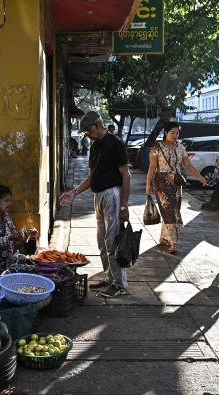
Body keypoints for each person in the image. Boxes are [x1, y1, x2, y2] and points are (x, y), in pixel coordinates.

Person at [60, 111, 130, 298]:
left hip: (112, 194)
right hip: (98, 196)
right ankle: (109, 278)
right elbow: (91, 177)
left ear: (98, 126)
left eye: (87, 131)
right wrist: (74, 192)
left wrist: (124, 205)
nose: (86, 135)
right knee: (102, 241)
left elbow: (126, 175)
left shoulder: (115, 144)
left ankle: (120, 283)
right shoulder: (95, 146)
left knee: (112, 240)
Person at [145, 121, 206, 254]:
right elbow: (152, 166)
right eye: (172, 132)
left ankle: (165, 239)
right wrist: (148, 184)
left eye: (177, 133)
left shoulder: (180, 147)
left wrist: (199, 176)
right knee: (168, 210)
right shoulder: (157, 147)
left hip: (177, 183)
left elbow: (187, 164)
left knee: (174, 210)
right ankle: (173, 242)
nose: (175, 135)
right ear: (166, 133)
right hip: (161, 182)